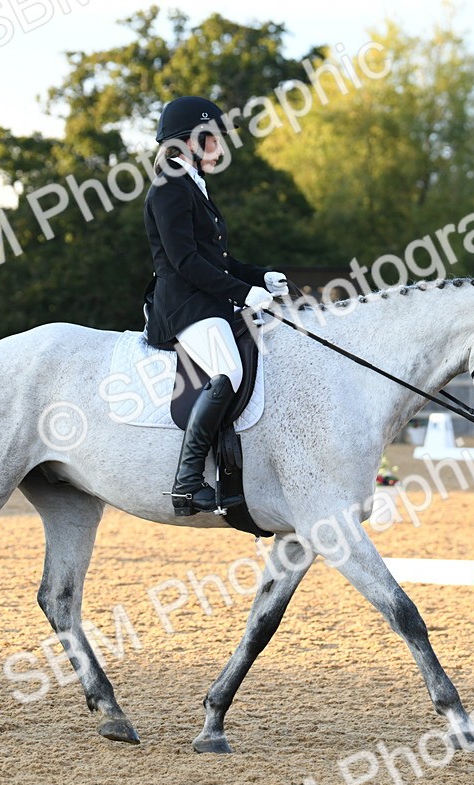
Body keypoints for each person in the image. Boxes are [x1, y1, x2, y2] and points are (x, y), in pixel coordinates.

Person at [142, 96, 288, 516]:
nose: (219, 146)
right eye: (213, 137)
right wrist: (243, 294)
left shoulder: (193, 184)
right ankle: (187, 482)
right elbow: (185, 261)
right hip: (184, 306)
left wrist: (261, 277)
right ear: (190, 140)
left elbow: (218, 261)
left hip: (207, 300)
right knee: (230, 370)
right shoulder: (170, 185)